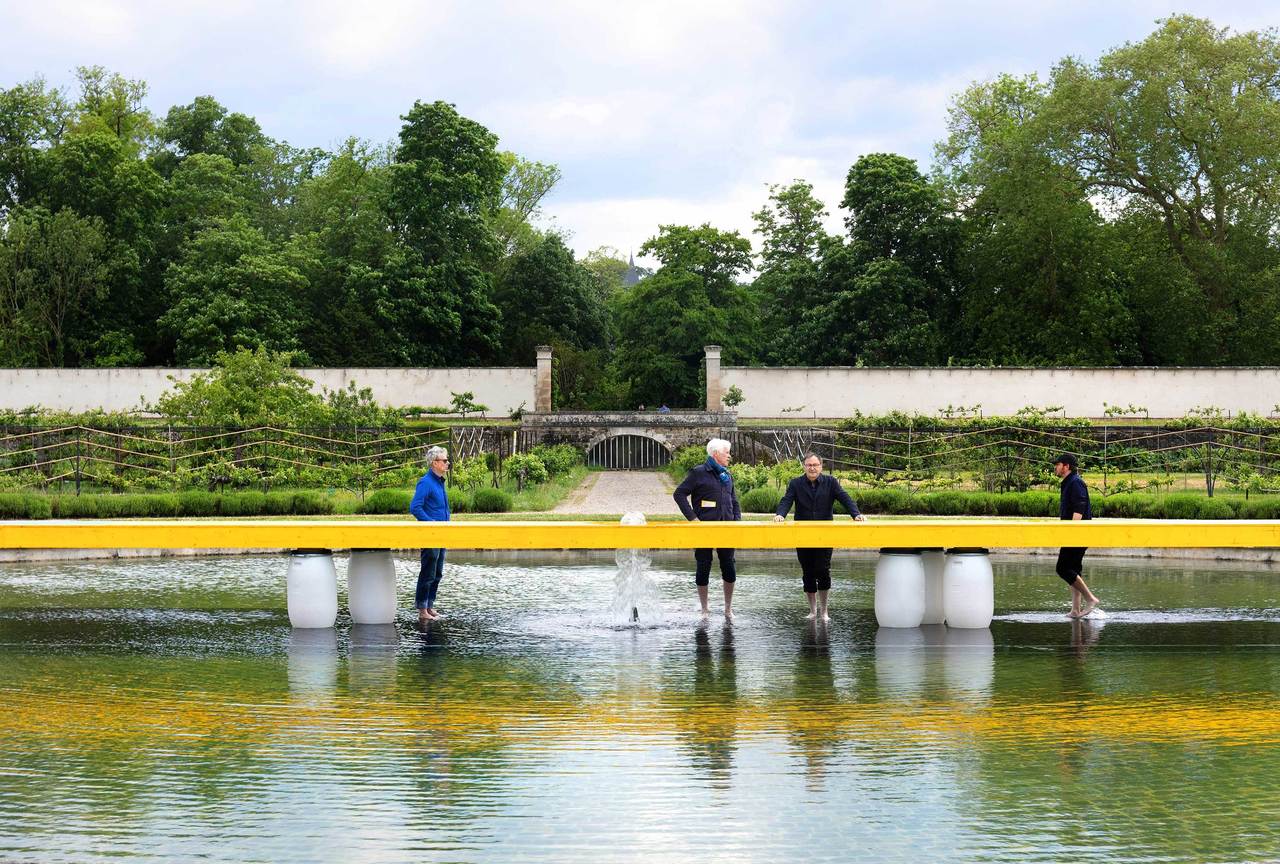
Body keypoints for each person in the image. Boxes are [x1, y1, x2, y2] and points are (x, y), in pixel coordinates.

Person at [774, 453, 865, 621]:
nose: (812, 468)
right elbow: (786, 500)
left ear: (821, 466)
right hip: (803, 535)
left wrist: (856, 514)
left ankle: (824, 611)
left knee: (823, 570)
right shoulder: (795, 483)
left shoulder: (830, 482)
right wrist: (780, 514)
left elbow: (844, 497)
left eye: (815, 465)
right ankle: (812, 611)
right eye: (809, 465)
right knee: (808, 572)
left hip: (825, 535)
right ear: (804, 466)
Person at [674, 438, 742, 619]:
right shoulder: (698, 472)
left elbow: (734, 501)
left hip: (726, 528)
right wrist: (693, 519)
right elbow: (679, 494)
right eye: (726, 452)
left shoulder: (727, 475)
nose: (729, 455)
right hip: (704, 529)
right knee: (703, 566)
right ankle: (705, 609)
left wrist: (737, 520)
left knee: (729, 567)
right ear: (715, 454)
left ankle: (728, 609)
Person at [1054, 452, 1100, 618]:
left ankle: (1090, 599)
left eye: (1058, 464)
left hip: (1077, 533)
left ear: (1066, 466)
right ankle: (1075, 609)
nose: (1056, 467)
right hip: (1075, 533)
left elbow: (1079, 508)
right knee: (1073, 570)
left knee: (1063, 568)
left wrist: (1072, 532)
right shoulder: (1068, 482)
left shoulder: (1075, 482)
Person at [410, 445, 451, 622]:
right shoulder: (426, 482)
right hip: (430, 534)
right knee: (428, 571)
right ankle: (422, 609)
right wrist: (430, 523)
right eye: (444, 460)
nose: (447, 463)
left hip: (442, 534)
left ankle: (429, 605)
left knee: (438, 572)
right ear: (434, 463)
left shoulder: (439, 482)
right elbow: (415, 507)